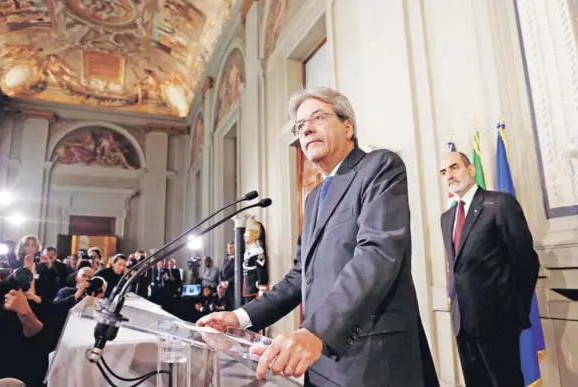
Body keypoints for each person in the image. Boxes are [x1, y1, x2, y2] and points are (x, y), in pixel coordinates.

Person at [198, 87, 435, 386]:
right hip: (319, 360)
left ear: (347, 126)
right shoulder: (312, 199)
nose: (306, 129)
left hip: (372, 359)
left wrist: (317, 331)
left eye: (317, 118)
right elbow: (300, 276)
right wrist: (242, 317)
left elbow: (377, 256)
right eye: (300, 126)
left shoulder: (379, 168)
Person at [439, 152, 540, 387]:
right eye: (444, 172)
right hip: (462, 323)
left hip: (498, 321)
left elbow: (526, 261)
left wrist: (512, 309)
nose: (450, 176)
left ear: (471, 169)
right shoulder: (447, 217)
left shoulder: (499, 203)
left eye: (454, 168)